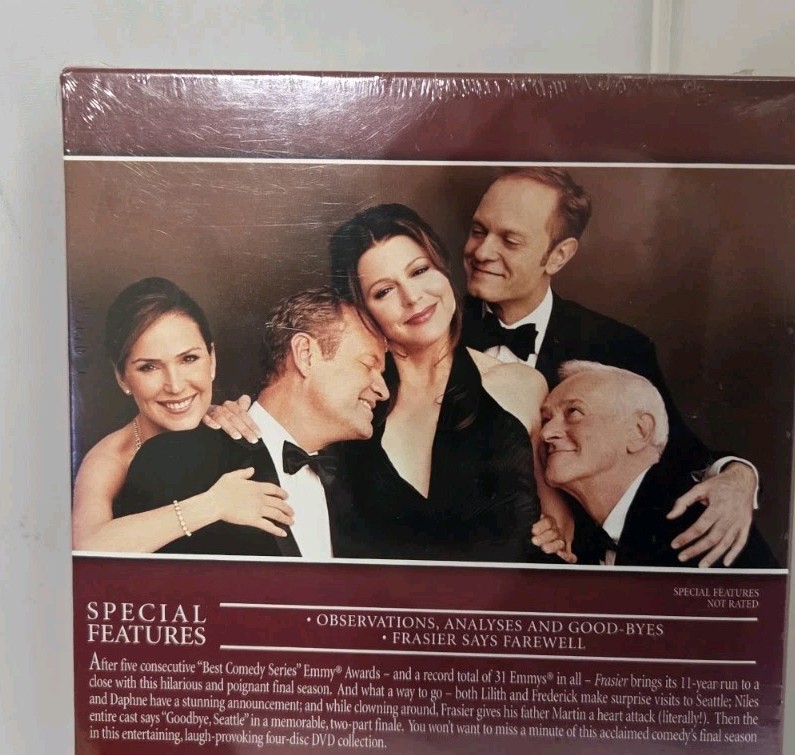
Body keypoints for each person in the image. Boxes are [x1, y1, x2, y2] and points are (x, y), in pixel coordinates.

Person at [461, 167, 759, 569]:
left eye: (510, 241)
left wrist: (739, 477)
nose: (481, 252)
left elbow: (675, 450)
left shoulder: (616, 344)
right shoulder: (424, 331)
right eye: (478, 231)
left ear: (559, 255)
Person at [327, 202, 571, 563]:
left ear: (442, 268)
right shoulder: (346, 401)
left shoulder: (521, 385)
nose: (413, 297)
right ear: (361, 311)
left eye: (419, 270)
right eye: (384, 291)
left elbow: (563, 531)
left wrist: (555, 535)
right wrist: (235, 419)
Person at [114, 288, 388, 557]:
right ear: (305, 354)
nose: (383, 390)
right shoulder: (172, 458)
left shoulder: (359, 483)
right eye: (368, 365)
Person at [72, 277, 294, 552]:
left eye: (189, 359)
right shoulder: (111, 457)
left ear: (212, 360)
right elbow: (86, 545)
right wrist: (214, 504)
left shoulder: (231, 424)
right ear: (122, 378)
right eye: (149, 367)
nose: (175, 386)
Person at [540, 362, 776, 568]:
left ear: (639, 431)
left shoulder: (702, 528)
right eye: (546, 419)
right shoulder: (570, 535)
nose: (546, 433)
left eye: (573, 412)